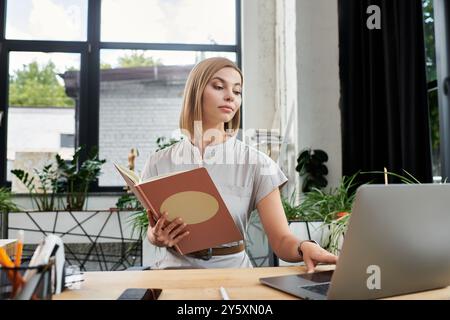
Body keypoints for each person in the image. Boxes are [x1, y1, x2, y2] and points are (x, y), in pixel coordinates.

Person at [141, 57, 338, 272]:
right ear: (196, 91)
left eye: (237, 91)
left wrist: (304, 246)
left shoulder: (257, 163)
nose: (230, 97)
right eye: (218, 86)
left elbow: (281, 239)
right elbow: (152, 231)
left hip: (233, 274)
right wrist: (157, 236)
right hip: (173, 273)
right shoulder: (158, 162)